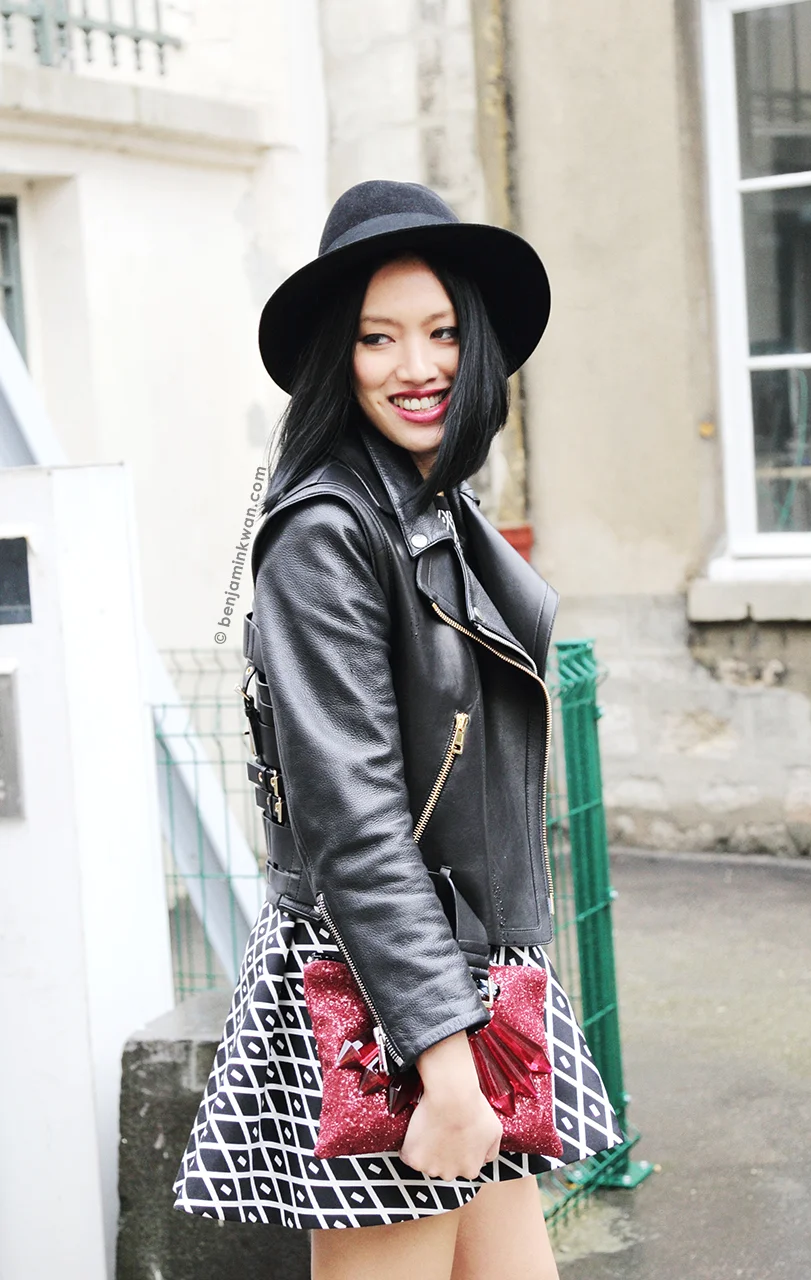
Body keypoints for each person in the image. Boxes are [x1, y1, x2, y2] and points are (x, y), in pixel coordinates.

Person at [173, 180, 623, 1280]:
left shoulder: (432, 504)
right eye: (378, 337)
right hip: (387, 990)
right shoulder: (328, 528)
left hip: (461, 974)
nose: (414, 366)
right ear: (341, 353)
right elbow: (357, 820)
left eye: (441, 332)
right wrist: (445, 1057)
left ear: (478, 350)